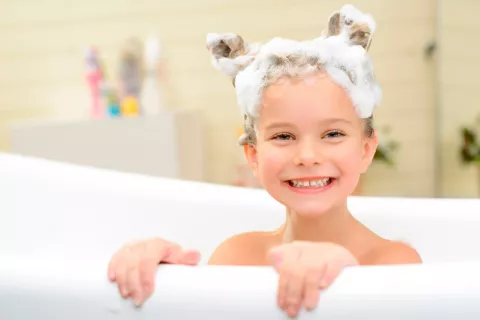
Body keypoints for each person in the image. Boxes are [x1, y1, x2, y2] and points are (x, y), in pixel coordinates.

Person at [107, 4, 422, 318]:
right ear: (254, 156)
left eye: (333, 133)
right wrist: (165, 279)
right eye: (284, 136)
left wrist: (348, 278)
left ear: (366, 150)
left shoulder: (394, 261)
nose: (308, 157)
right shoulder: (235, 257)